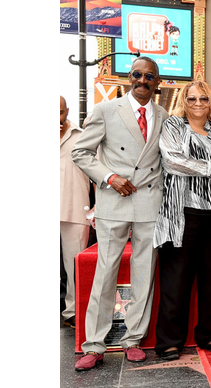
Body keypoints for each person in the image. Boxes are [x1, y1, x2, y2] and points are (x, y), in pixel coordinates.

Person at [71, 57, 168, 371]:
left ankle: (133, 339)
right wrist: (109, 177)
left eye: (149, 76)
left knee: (144, 272)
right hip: (114, 199)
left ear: (158, 82)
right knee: (105, 272)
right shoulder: (106, 110)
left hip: (149, 202)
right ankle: (94, 345)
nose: (142, 80)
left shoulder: (165, 116)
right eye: (137, 74)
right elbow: (80, 152)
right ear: (129, 77)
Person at [152, 81, 211, 360]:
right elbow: (173, 161)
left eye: (204, 98)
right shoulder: (173, 126)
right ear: (184, 100)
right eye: (191, 98)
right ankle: (169, 341)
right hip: (183, 213)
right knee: (175, 280)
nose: (198, 103)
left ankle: (209, 335)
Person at [60, 95, 91, 329]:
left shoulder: (81, 138)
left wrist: (97, 209)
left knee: (74, 265)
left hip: (75, 207)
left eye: (60, 113)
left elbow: (99, 175)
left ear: (67, 110)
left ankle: (72, 311)